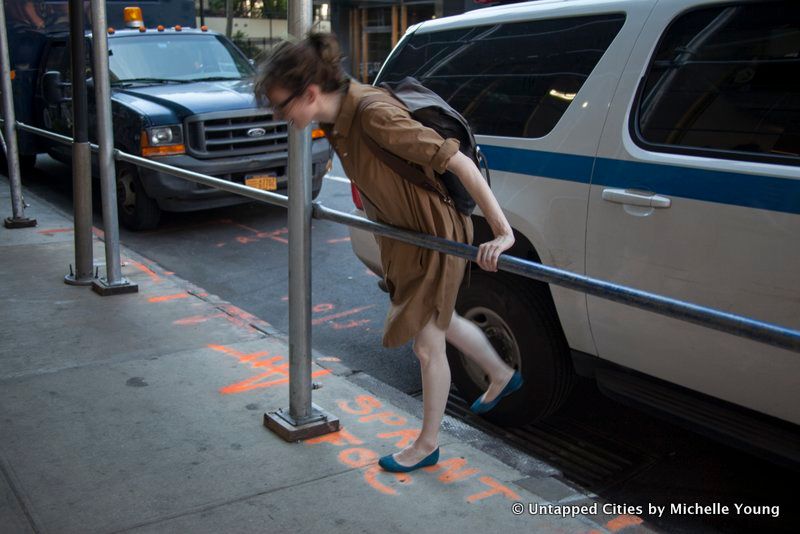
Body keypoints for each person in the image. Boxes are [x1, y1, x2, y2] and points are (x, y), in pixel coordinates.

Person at [254, 33, 523, 473]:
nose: (279, 115)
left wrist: (501, 231)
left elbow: (457, 162)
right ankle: (500, 373)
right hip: (406, 237)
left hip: (430, 235)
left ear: (309, 93)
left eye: (282, 105)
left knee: (426, 343)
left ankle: (427, 444)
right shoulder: (340, 117)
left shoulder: (372, 114)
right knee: (437, 318)